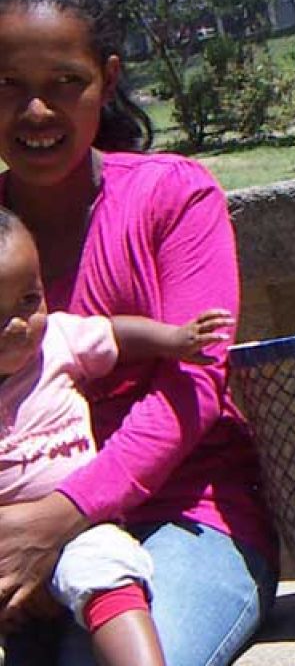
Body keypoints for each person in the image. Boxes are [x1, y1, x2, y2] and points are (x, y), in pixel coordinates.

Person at [0, 0, 279, 666]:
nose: (37, 113)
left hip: (186, 518)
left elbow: (193, 387)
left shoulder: (172, 198)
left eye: (66, 83)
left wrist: (57, 520)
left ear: (109, 79)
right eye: (8, 87)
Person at [0, 207, 235, 666]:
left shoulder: (60, 342)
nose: (17, 326)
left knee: (106, 573)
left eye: (30, 300)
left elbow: (115, 334)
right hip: (8, 549)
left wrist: (175, 339)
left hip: (81, 528)